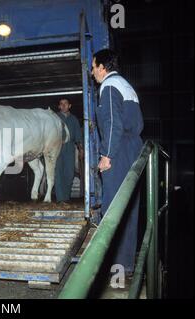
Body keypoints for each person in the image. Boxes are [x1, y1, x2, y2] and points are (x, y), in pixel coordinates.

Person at [92, 49, 144, 274]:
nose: (92, 71)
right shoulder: (126, 85)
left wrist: (106, 156)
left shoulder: (109, 86)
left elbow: (113, 122)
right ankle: (124, 264)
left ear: (103, 67)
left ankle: (113, 265)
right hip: (133, 147)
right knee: (128, 206)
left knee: (112, 205)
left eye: (94, 66)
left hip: (119, 149)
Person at [54, 97, 83, 203]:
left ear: (69, 105)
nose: (63, 105)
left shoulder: (74, 119)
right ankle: (60, 199)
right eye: (61, 104)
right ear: (59, 106)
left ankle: (66, 198)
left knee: (69, 173)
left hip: (70, 148)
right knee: (58, 173)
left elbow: (78, 136)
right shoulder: (54, 117)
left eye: (66, 103)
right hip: (56, 148)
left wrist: (81, 150)